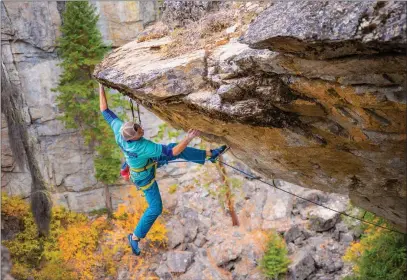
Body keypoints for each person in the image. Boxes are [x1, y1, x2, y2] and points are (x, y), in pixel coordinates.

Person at [99, 84, 229, 255]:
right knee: (156, 208)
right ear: (134, 138)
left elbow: (105, 110)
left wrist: (100, 86)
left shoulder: (120, 130)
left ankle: (209, 154)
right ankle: (135, 237)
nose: (142, 129)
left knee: (175, 148)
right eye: (139, 131)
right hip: (143, 176)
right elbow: (172, 152)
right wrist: (189, 138)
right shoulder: (143, 146)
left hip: (147, 163)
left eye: (138, 126)